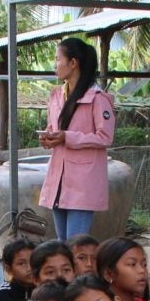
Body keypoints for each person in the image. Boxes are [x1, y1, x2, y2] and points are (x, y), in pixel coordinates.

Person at [37, 37, 115, 240]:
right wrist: (49, 137)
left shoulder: (98, 98)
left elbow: (105, 136)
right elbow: (55, 127)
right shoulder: (56, 95)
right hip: (58, 179)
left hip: (83, 183)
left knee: (75, 246)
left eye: (57, 59)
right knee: (63, 246)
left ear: (73, 63)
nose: (55, 65)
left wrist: (67, 137)